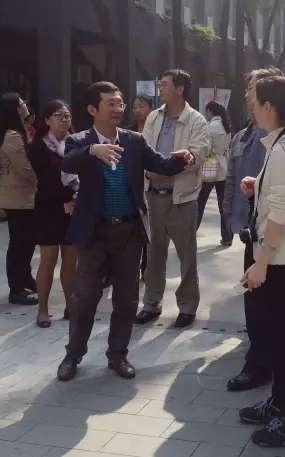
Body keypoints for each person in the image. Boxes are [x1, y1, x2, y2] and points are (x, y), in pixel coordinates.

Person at [55, 81, 194, 382]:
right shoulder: (79, 141)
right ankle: (73, 354)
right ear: (92, 109)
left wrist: (183, 159)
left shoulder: (133, 140)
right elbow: (67, 163)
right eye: (111, 104)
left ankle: (117, 355)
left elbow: (160, 164)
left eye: (120, 103)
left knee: (127, 298)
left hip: (129, 230)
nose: (118, 109)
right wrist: (93, 150)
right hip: (94, 233)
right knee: (85, 298)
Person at [237, 75, 285, 448]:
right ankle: (280, 403)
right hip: (283, 259)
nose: (250, 106)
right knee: (279, 338)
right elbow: (284, 197)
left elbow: (280, 213)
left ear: (268, 106)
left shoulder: (284, 150)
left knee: (283, 343)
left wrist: (261, 262)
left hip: (280, 263)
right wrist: (260, 185)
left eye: (254, 101)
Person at [135, 70, 209, 329]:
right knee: (153, 255)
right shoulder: (154, 116)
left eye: (165, 84)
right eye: (160, 84)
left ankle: (187, 306)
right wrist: (149, 172)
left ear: (180, 89)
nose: (160, 88)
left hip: (182, 198)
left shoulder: (196, 120)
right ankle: (151, 303)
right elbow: (143, 149)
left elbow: (197, 154)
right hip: (153, 194)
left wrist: (181, 161)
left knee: (186, 256)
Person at [225, 67, 283, 393]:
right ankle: (261, 355)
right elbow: (233, 180)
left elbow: (283, 199)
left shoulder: (281, 142)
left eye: (252, 89)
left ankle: (262, 364)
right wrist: (229, 215)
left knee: (265, 300)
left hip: (270, 233)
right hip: (251, 227)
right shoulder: (245, 135)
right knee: (256, 298)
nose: (247, 95)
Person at [28, 100, 78, 328]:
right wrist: (68, 196)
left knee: (71, 259)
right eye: (58, 115)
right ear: (47, 120)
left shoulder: (75, 143)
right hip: (49, 208)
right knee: (48, 259)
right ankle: (43, 310)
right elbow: (47, 180)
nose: (64, 120)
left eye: (67, 115)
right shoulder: (39, 147)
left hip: (74, 208)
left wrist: (76, 197)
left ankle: (71, 306)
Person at [0, 93, 38, 306]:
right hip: (18, 199)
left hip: (23, 197)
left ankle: (25, 280)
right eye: (22, 103)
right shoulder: (12, 136)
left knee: (26, 242)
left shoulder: (17, 131)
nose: (25, 104)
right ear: (15, 109)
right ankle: (17, 289)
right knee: (20, 244)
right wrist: (45, 177)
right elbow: (25, 168)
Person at [126, 94, 154, 281]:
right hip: (133, 183)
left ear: (151, 108)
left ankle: (146, 266)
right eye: (134, 107)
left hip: (152, 182)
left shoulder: (156, 130)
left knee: (148, 228)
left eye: (141, 106)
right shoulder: (127, 132)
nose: (137, 110)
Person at [197, 100, 232, 245]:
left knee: (200, 201)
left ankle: (190, 233)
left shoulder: (210, 126)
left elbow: (207, 148)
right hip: (224, 164)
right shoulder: (226, 126)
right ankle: (227, 236)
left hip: (210, 164)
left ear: (210, 111)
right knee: (223, 204)